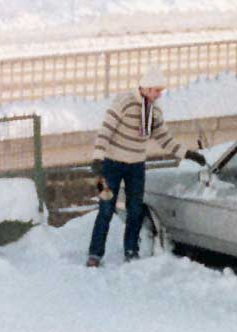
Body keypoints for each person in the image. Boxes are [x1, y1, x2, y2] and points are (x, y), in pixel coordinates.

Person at [86, 66, 206, 267]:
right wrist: (97, 158)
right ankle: (95, 254)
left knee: (135, 210)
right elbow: (105, 130)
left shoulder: (154, 112)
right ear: (147, 88)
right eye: (157, 90)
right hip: (109, 165)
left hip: (136, 167)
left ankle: (131, 251)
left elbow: (165, 140)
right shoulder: (123, 102)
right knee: (105, 208)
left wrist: (189, 154)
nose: (159, 95)